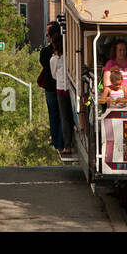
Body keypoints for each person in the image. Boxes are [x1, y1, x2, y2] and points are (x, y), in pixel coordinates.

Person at [49, 28, 76, 158]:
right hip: (71, 88)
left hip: (61, 89)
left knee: (64, 118)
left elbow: (54, 75)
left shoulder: (54, 60)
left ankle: (67, 145)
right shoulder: (70, 57)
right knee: (72, 116)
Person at [38, 21, 62, 151]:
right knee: (62, 115)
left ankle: (56, 140)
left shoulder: (45, 52)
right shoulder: (64, 52)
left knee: (53, 114)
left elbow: (45, 66)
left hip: (50, 87)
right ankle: (60, 141)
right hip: (61, 88)